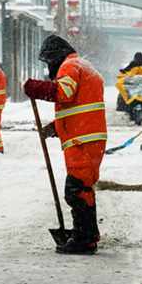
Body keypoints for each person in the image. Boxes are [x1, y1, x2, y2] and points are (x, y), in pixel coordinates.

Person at [23, 35, 106, 255]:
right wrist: (56, 127)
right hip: (87, 137)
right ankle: (88, 234)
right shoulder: (82, 65)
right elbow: (79, 106)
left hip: (83, 140)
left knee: (76, 190)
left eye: (48, 61)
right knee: (81, 188)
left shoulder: (69, 66)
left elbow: (64, 93)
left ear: (55, 57)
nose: (49, 66)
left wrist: (37, 88)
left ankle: (84, 239)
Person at [115, 52, 142, 125]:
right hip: (133, 86)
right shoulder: (132, 64)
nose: (138, 60)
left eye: (139, 58)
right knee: (123, 95)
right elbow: (126, 69)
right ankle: (125, 108)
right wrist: (123, 72)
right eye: (137, 58)